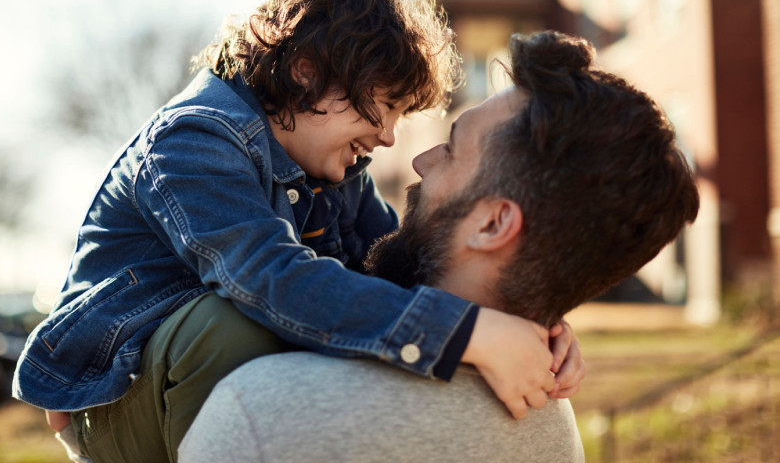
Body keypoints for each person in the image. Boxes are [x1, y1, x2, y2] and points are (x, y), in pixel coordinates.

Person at [12, 0, 583, 462]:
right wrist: (467, 336)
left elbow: (403, 271)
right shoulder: (193, 143)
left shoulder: (334, 168)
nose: (387, 139)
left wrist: (529, 324)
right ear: (305, 71)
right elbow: (271, 280)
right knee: (234, 323)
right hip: (120, 398)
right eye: (383, 107)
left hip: (219, 393)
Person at [177, 30, 701, 463]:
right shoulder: (550, 425)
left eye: (451, 149)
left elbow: (281, 276)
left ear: (494, 224)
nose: (420, 160)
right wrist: (538, 317)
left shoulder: (263, 411)